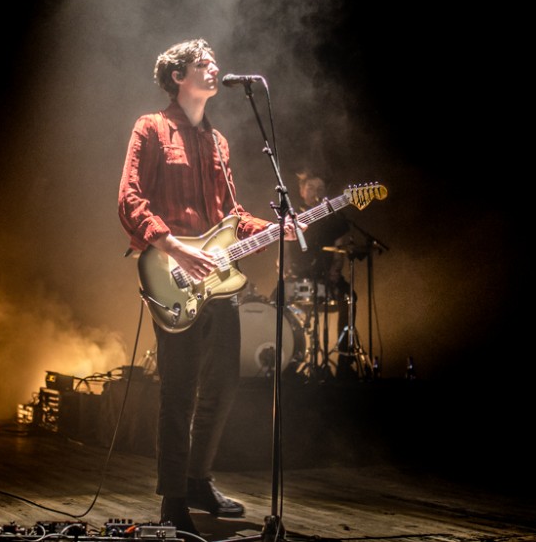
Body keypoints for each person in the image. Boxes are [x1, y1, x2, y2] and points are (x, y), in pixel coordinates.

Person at [118, 38, 299, 534]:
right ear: (178, 76)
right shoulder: (151, 128)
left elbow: (230, 218)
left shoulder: (218, 143)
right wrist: (174, 247)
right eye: (203, 63)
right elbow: (131, 200)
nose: (214, 68)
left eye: (214, 62)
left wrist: (272, 228)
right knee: (178, 391)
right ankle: (172, 498)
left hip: (220, 283)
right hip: (173, 276)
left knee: (223, 384)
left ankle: (198, 479)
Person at [282, 169, 359, 378]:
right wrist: (284, 273)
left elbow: (339, 247)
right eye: (310, 187)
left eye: (320, 189)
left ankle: (345, 359)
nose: (315, 192)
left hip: (326, 275)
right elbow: (284, 251)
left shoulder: (333, 218)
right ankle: (286, 360)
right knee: (275, 301)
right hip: (298, 275)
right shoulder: (292, 215)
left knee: (350, 298)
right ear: (301, 190)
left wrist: (335, 272)